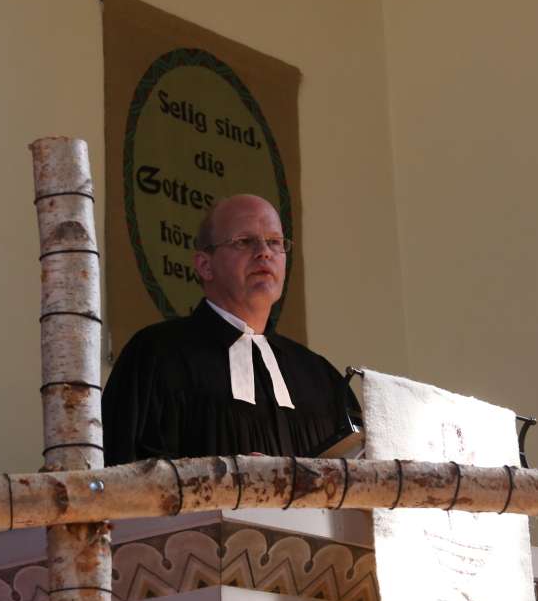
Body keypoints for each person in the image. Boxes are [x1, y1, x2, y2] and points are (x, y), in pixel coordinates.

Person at [102, 194, 358, 464]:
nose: (264, 252)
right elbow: (120, 475)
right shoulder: (155, 356)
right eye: (244, 242)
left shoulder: (323, 378)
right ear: (205, 266)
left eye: (274, 242)